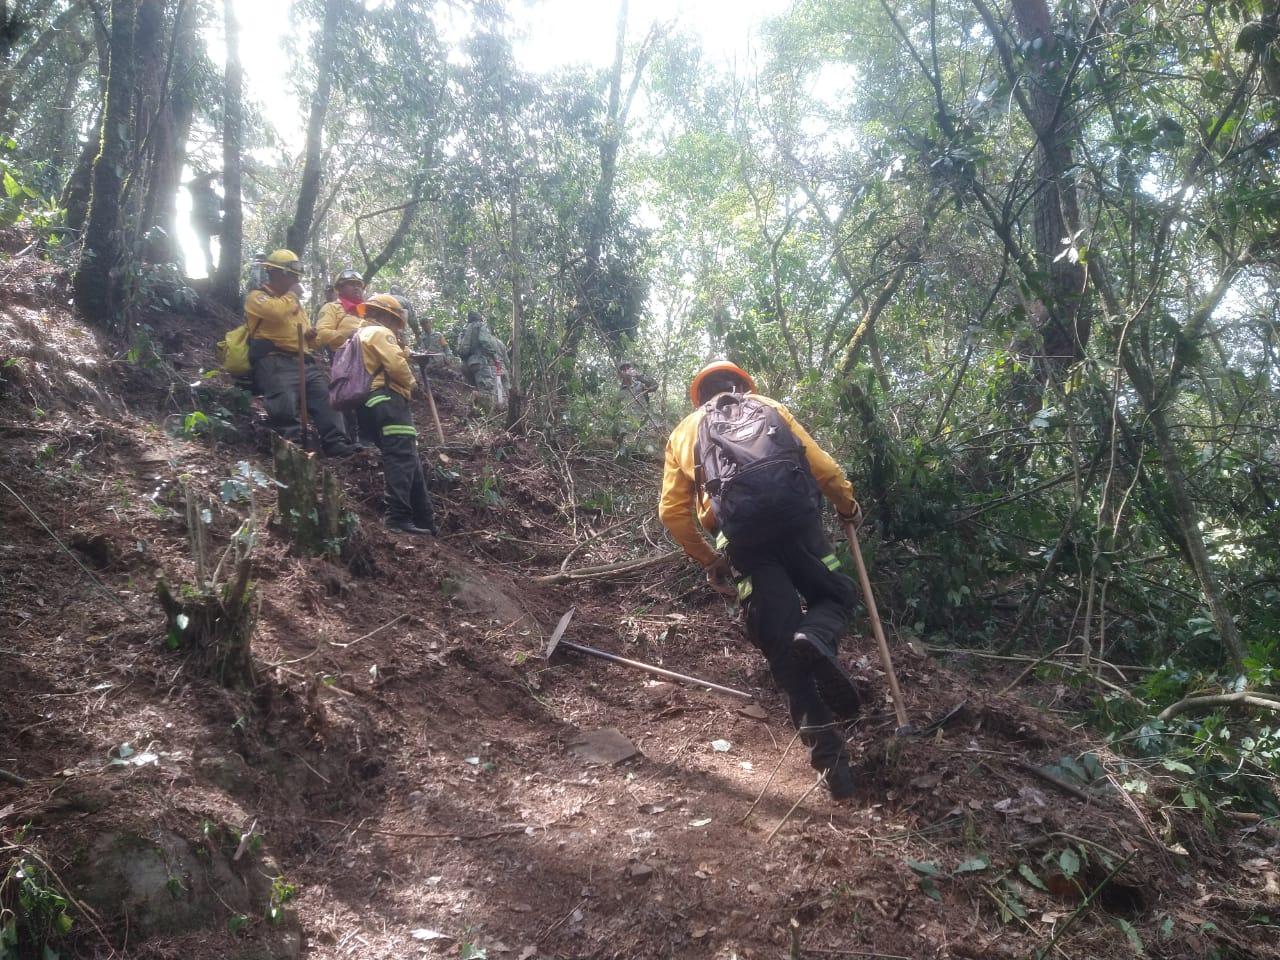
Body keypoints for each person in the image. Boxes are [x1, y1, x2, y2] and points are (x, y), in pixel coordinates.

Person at [657, 360, 864, 801]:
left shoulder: (684, 432)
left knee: (779, 644)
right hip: (800, 526)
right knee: (839, 595)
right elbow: (823, 468)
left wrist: (710, 559)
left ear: (699, 396)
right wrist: (847, 506)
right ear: (740, 386)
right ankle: (818, 635)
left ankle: (833, 765)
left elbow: (672, 514)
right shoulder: (768, 406)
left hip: (744, 541)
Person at [244, 249, 355, 457]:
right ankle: (291, 448)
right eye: (291, 274)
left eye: (296, 276)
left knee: (326, 400)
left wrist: (310, 337)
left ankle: (336, 443)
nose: (296, 279)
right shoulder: (257, 297)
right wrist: (293, 295)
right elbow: (275, 313)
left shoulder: (295, 305)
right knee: (283, 404)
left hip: (304, 362)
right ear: (276, 273)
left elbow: (307, 338)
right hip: (275, 361)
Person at [351, 293, 437, 535]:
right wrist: (412, 384)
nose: (396, 328)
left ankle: (424, 519)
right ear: (384, 316)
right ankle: (397, 517)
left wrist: (407, 351)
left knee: (409, 456)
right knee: (400, 456)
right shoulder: (380, 333)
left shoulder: (361, 333)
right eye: (395, 322)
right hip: (388, 399)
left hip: (370, 403)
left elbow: (395, 353)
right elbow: (396, 365)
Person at [315, 269, 369, 446]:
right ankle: (353, 440)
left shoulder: (366, 311)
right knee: (350, 398)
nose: (357, 288)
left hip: (371, 362)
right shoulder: (331, 308)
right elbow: (322, 334)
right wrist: (350, 334)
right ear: (340, 288)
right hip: (345, 361)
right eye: (352, 285)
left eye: (359, 285)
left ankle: (370, 438)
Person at [453, 311, 509, 410]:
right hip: (481, 364)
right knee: (488, 393)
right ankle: (477, 404)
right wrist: (495, 356)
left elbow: (460, 349)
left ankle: (475, 409)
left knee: (476, 387)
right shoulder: (480, 327)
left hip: (467, 365)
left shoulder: (464, 332)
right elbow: (484, 341)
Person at [187, 173, 222, 278]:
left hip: (214, 223)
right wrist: (210, 175)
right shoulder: (196, 190)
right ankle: (210, 270)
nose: (207, 182)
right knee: (205, 247)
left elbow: (229, 205)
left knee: (228, 229)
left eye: (208, 181)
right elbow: (191, 184)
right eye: (205, 180)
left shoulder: (215, 196)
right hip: (199, 223)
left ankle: (222, 264)